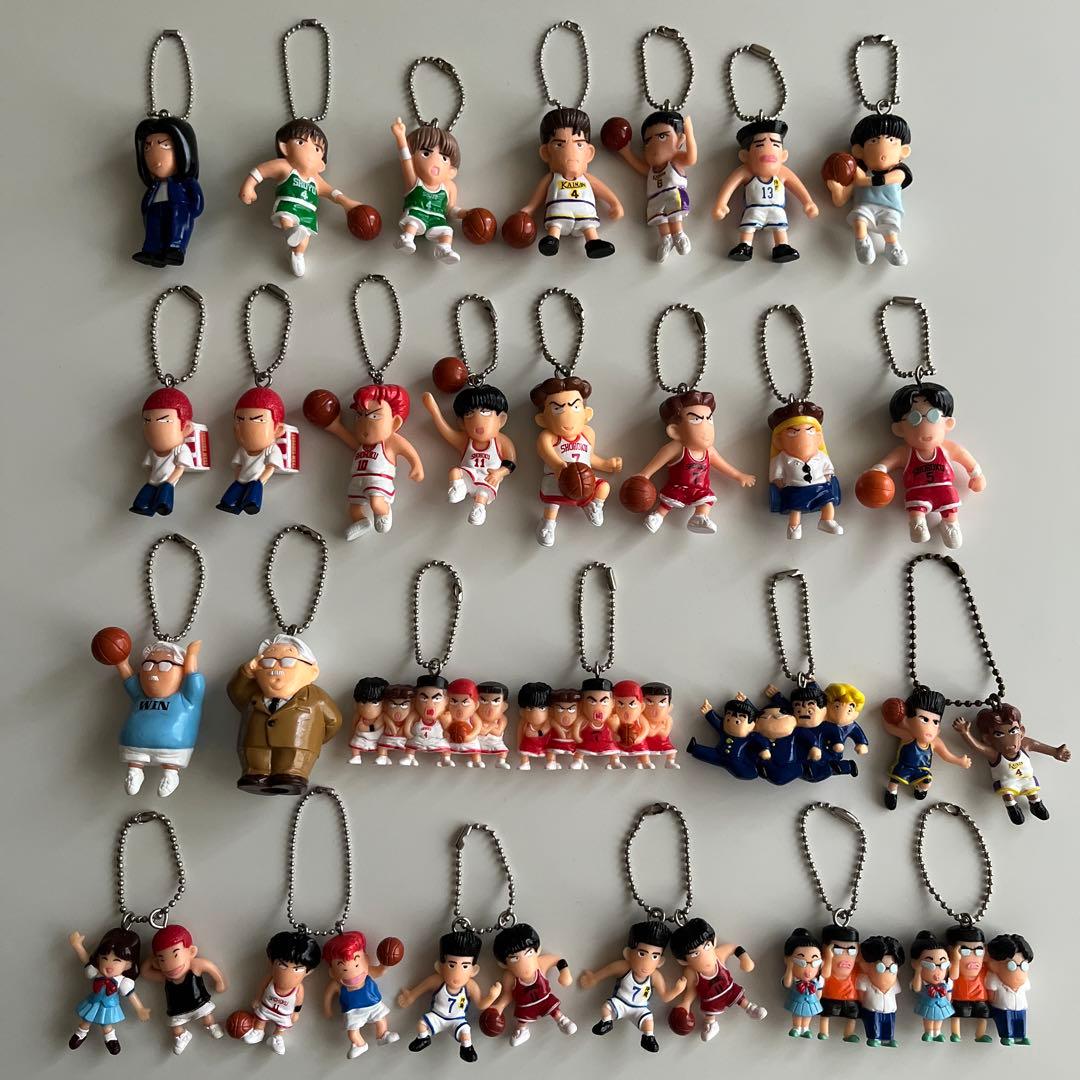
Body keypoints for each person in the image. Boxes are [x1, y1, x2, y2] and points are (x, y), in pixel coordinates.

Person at [862, 381, 985, 549]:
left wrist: (976, 474)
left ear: (948, 423)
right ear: (899, 429)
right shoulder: (904, 453)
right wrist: (878, 470)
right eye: (914, 418)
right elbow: (886, 464)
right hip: (918, 492)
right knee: (915, 507)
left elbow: (965, 457)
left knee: (950, 507)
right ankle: (917, 523)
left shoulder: (948, 449)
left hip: (944, 490)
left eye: (934, 416)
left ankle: (951, 525)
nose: (924, 426)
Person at [238, 119, 362, 276]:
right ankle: (290, 232)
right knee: (286, 218)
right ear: (284, 148)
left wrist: (347, 203)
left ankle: (297, 254)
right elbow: (261, 171)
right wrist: (248, 187)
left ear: (321, 165)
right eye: (301, 142)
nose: (310, 151)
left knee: (304, 240)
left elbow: (331, 193)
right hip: (288, 205)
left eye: (317, 149)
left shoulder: (316, 180)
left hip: (308, 214)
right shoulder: (284, 166)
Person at [628, 390, 755, 536]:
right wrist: (645, 474)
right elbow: (658, 461)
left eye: (709, 419)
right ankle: (658, 516)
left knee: (707, 501)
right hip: (677, 487)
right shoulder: (676, 448)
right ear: (675, 431)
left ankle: (699, 517)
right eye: (696, 420)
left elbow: (723, 465)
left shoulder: (709, 451)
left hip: (700, 489)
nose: (706, 428)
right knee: (668, 502)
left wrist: (739, 475)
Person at [228, 633, 342, 795]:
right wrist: (245, 672)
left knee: (290, 765)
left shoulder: (316, 698)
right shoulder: (253, 695)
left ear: (312, 671)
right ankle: (256, 774)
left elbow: (333, 722)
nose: (276, 667)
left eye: (288, 661)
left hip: (297, 748)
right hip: (254, 744)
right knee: (256, 762)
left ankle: (290, 775)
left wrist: (313, 738)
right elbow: (236, 692)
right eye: (268, 661)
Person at [313, 383, 424, 541]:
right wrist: (335, 427)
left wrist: (416, 466)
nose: (365, 424)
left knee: (376, 502)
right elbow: (347, 438)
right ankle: (361, 521)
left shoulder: (390, 441)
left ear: (394, 423)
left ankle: (384, 512)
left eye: (374, 416)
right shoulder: (361, 445)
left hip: (378, 479)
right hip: (357, 480)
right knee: (353, 508)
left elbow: (409, 451)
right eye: (359, 416)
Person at [518, 108, 623, 258]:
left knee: (589, 225)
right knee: (555, 224)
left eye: (579, 145)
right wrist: (530, 208)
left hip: (584, 212)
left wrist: (615, 204)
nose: (570, 154)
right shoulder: (552, 177)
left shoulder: (586, 178)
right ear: (546, 153)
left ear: (589, 153)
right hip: (559, 212)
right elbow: (538, 195)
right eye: (559, 145)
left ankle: (593, 242)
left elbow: (603, 191)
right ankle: (552, 239)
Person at [105, 638, 204, 797]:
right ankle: (134, 773)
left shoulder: (186, 698)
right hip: (134, 744)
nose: (153, 672)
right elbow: (129, 679)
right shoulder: (140, 696)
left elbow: (192, 677)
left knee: (171, 764)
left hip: (173, 747)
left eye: (165, 665)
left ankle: (171, 775)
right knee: (135, 761)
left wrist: (191, 656)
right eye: (148, 665)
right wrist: (121, 662)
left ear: (181, 672)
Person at [531, 376, 622, 548]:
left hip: (584, 481)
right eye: (557, 409)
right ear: (542, 419)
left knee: (603, 487)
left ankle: (594, 505)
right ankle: (548, 523)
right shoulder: (548, 436)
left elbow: (589, 457)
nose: (568, 415)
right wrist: (558, 466)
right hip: (557, 479)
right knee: (553, 502)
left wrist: (606, 465)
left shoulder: (588, 433)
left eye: (575, 406)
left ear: (587, 414)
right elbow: (544, 452)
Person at [713, 119, 818, 262]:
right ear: (745, 156)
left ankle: (782, 246)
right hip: (754, 209)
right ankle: (745, 246)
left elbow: (797, 186)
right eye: (759, 145)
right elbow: (730, 185)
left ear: (783, 155)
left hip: (776, 210)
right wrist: (721, 203)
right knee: (748, 227)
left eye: (775, 145)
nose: (769, 151)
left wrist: (808, 202)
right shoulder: (745, 171)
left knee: (780, 227)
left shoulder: (782, 172)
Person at [953, 701, 1070, 824]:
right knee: (1007, 793)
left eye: (1013, 732)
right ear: (987, 739)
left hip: (1026, 778)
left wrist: (1055, 752)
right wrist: (965, 733)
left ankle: (1036, 804)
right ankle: (1012, 807)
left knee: (1032, 791)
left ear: (1021, 731)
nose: (1010, 742)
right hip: (1007, 781)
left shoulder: (1024, 745)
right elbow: (977, 747)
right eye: (999, 734)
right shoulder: (994, 754)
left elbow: (1037, 745)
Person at [579, 920, 686, 1053]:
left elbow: (665, 996)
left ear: (660, 961)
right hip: (620, 1002)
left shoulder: (655, 976)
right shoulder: (624, 967)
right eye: (642, 954)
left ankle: (648, 1037)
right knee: (607, 1007)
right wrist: (594, 978)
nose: (646, 963)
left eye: (654, 956)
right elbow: (609, 970)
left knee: (648, 1019)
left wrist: (677, 989)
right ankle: (606, 1022)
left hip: (639, 1009)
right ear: (628, 954)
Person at [397, 929, 501, 1063]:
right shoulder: (437, 980)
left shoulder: (470, 986)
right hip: (437, 1016)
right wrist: (410, 996)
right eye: (452, 965)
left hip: (457, 1020)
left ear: (473, 970)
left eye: (465, 966)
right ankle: (423, 1038)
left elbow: (481, 1004)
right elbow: (422, 988)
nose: (457, 973)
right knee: (422, 1023)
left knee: (465, 1031)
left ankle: (467, 1048)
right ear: (440, 967)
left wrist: (492, 996)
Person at [608, 110, 697, 261]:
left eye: (662, 136)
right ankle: (666, 239)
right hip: (655, 198)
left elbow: (691, 158)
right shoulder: (651, 170)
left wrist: (689, 130)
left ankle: (678, 234)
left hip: (673, 193)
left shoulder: (675, 162)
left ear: (680, 140)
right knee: (659, 219)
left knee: (674, 215)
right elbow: (638, 166)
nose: (655, 144)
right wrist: (625, 152)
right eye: (648, 141)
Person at [825, 113, 912, 266]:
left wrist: (863, 180)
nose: (883, 149)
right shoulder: (858, 173)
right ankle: (862, 242)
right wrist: (836, 189)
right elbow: (840, 201)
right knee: (859, 220)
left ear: (903, 151)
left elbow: (881, 180)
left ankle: (892, 246)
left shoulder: (899, 173)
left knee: (889, 230)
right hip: (865, 206)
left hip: (889, 208)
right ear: (859, 151)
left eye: (891, 140)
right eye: (874, 141)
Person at [423, 385, 516, 526]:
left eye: (485, 412)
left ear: (501, 420)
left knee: (482, 494)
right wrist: (434, 411)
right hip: (468, 474)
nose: (478, 421)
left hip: (488, 478)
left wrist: (499, 473)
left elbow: (511, 463)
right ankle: (457, 488)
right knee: (454, 472)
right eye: (469, 414)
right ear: (462, 424)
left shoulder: (501, 441)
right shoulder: (465, 440)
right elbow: (446, 432)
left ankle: (479, 509)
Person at [669, 918, 766, 1043]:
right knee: (709, 1013)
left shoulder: (719, 954)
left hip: (729, 989)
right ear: (683, 961)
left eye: (707, 946)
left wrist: (745, 959)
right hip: (711, 1000)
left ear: (714, 942)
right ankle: (711, 1025)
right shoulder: (691, 972)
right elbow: (692, 990)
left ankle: (751, 1008)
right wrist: (686, 1003)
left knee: (740, 998)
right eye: (695, 954)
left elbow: (735, 948)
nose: (704, 956)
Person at [488, 923, 576, 1048]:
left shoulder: (541, 963)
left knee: (554, 1010)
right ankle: (522, 1031)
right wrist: (499, 1006)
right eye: (514, 958)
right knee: (522, 1018)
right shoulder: (509, 977)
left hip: (545, 999)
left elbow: (559, 960)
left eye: (529, 952)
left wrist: (565, 973)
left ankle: (562, 1020)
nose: (523, 963)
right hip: (525, 1006)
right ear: (504, 964)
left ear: (537, 951)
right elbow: (508, 994)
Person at [142, 925, 226, 1055]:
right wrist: (151, 959)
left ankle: (212, 1026)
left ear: (191, 952)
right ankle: (183, 1036)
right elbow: (145, 973)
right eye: (162, 959)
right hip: (177, 1010)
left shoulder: (195, 966)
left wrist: (220, 981)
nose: (170, 966)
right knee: (176, 1028)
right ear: (157, 963)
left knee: (207, 1017)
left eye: (175, 954)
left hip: (199, 1003)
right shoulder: (165, 976)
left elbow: (210, 967)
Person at [882, 688, 971, 809]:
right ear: (907, 722)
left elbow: (946, 755)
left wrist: (960, 761)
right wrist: (887, 714)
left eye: (935, 722)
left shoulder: (935, 742)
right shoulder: (908, 736)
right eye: (924, 719)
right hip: (904, 766)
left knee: (927, 781)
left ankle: (920, 789)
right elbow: (890, 729)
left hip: (921, 771)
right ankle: (891, 792)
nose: (930, 727)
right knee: (895, 780)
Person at [133, 115, 203, 267]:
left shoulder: (185, 183)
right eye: (147, 148)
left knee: (176, 228)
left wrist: (191, 209)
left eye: (165, 145)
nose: (154, 158)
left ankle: (175, 249)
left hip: (178, 208)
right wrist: (146, 209)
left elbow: (197, 200)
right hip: (155, 208)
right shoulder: (155, 185)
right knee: (153, 229)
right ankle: (151, 251)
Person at [67, 928, 151, 1054]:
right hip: (93, 1002)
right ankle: (80, 1034)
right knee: (87, 1019)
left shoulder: (123, 982)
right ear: (98, 958)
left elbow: (131, 995)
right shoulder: (96, 972)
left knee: (106, 1023)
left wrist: (140, 1009)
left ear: (128, 965)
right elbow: (86, 960)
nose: (109, 965)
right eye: (105, 958)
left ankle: (110, 1038)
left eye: (116, 961)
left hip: (109, 1005)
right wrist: (77, 946)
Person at [767, 400, 842, 540]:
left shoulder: (821, 456)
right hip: (795, 489)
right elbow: (776, 476)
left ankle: (827, 520)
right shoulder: (781, 458)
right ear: (779, 441)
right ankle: (794, 527)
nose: (804, 438)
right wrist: (782, 486)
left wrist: (827, 480)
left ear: (819, 437)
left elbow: (828, 470)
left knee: (828, 502)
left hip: (820, 487)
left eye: (810, 431)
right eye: (793, 432)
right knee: (795, 508)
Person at [391, 120, 463, 265]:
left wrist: (464, 213)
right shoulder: (414, 181)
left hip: (437, 219)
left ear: (451, 171)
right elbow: (405, 160)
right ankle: (407, 239)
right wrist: (400, 137)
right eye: (426, 153)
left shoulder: (448, 188)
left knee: (447, 231)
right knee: (413, 222)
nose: (435, 162)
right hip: (417, 214)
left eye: (444, 158)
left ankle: (444, 248)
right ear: (413, 158)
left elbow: (450, 209)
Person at [321, 931, 399, 1059]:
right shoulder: (336, 984)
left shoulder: (369, 972)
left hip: (373, 1005)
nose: (352, 972)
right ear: (332, 972)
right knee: (352, 1032)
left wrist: (386, 963)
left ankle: (382, 1035)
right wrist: (327, 1009)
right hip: (353, 1011)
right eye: (344, 969)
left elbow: (380, 971)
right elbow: (327, 996)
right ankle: (359, 1044)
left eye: (357, 964)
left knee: (381, 1020)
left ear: (366, 960)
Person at [242, 931, 321, 1055]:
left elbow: (299, 1002)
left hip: (284, 1013)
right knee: (261, 1018)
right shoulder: (270, 979)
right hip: (266, 1006)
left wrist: (296, 1012)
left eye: (297, 969)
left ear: (308, 972)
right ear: (271, 962)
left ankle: (277, 1037)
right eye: (282, 965)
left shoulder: (298, 989)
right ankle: (258, 1031)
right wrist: (257, 998)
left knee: (281, 1026)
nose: (288, 972)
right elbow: (262, 988)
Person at [217, 387, 288, 515]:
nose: (246, 428)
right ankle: (229, 504)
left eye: (259, 420)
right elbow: (238, 466)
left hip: (256, 480)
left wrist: (260, 480)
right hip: (242, 479)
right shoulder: (241, 450)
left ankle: (251, 504)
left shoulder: (271, 449)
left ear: (278, 430)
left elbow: (270, 467)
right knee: (231, 495)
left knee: (253, 494)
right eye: (239, 420)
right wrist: (238, 478)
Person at [130, 387, 198, 516]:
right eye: (147, 421)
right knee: (141, 501)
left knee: (163, 500)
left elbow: (180, 469)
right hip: (152, 481)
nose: (153, 429)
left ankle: (162, 506)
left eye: (164, 421)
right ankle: (144, 507)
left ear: (186, 428)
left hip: (167, 482)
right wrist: (151, 479)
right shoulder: (151, 452)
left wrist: (169, 482)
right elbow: (149, 468)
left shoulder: (181, 449)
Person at [688, 695, 762, 779]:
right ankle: (694, 748)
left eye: (738, 722)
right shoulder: (724, 731)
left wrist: (763, 750)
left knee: (743, 771)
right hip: (719, 754)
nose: (731, 723)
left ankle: (694, 749)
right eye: (728, 720)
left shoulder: (749, 738)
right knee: (707, 754)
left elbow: (760, 742)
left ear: (751, 726)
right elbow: (716, 722)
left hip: (735, 761)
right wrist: (709, 712)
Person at [945, 924, 991, 1043]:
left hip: (980, 997)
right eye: (965, 951)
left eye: (978, 950)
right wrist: (955, 959)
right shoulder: (953, 967)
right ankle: (955, 1033)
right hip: (959, 996)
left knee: (983, 1014)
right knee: (956, 1013)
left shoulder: (985, 968)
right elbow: (953, 976)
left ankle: (980, 1034)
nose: (973, 956)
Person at [985, 933, 1034, 1045]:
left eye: (1023, 965)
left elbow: (1027, 987)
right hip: (1002, 1007)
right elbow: (990, 992)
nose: (1019, 970)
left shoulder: (1025, 982)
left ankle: (1021, 1036)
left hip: (1021, 1006)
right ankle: (1007, 1036)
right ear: (994, 965)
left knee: (1021, 1020)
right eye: (1012, 965)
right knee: (1005, 1022)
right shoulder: (994, 979)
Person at [854, 935, 904, 1047]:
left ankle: (888, 1038)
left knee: (889, 1025)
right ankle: (874, 1038)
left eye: (893, 968)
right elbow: (860, 995)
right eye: (881, 968)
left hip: (890, 1010)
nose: (887, 972)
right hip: (872, 1010)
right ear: (866, 966)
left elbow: (896, 992)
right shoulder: (864, 980)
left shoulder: (895, 983)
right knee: (873, 1025)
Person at [818, 923, 861, 1041]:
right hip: (829, 995)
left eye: (851, 951)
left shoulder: (857, 967)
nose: (845, 957)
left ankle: (849, 1033)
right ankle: (823, 1031)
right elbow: (825, 974)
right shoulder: (825, 964)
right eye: (838, 950)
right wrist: (828, 957)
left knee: (853, 1016)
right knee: (825, 1013)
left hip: (851, 997)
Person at [910, 931, 954, 1042]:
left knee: (940, 1017)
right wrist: (918, 971)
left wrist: (949, 998)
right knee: (928, 1017)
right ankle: (928, 1032)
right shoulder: (923, 983)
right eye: (930, 965)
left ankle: (937, 1032)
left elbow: (949, 990)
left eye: (943, 965)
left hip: (942, 1003)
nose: (937, 971)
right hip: (928, 1003)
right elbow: (916, 988)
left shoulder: (946, 982)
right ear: (915, 963)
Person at [571, 677, 622, 770]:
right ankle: (578, 760)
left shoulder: (612, 719)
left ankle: (615, 761)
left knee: (613, 750)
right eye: (592, 702)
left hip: (607, 743)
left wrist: (616, 729)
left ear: (612, 703)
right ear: (582, 704)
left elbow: (617, 733)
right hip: (587, 742)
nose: (598, 707)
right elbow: (576, 728)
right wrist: (576, 737)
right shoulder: (582, 719)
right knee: (580, 750)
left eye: (604, 702)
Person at [781, 928, 824, 1038]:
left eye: (814, 962)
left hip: (812, 1000)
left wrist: (817, 998)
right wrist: (789, 967)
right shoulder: (794, 979)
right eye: (801, 962)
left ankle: (805, 1028)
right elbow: (787, 984)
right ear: (788, 959)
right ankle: (796, 1027)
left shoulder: (818, 980)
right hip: (797, 999)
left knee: (808, 1013)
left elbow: (819, 991)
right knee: (797, 1013)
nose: (808, 968)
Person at [403, 675, 453, 767]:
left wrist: (447, 730)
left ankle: (446, 758)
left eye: (437, 699)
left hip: (437, 740)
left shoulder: (443, 716)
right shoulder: (415, 714)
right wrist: (408, 734)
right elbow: (407, 726)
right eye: (424, 698)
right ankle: (409, 757)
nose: (430, 704)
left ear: (446, 701)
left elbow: (447, 731)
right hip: (418, 739)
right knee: (411, 744)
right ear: (415, 700)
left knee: (445, 745)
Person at [822, 683, 868, 776]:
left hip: (836, 753)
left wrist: (861, 744)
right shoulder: (822, 722)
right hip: (821, 750)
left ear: (856, 713)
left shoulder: (851, 726)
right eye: (837, 706)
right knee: (825, 768)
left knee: (828, 768)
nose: (842, 714)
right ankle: (848, 766)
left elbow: (859, 736)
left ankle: (847, 766)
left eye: (849, 710)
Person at [347, 676, 388, 765]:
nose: (367, 709)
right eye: (363, 702)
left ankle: (382, 756)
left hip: (376, 736)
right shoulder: (358, 715)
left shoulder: (382, 716)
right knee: (355, 743)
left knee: (382, 745)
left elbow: (377, 726)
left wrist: (366, 728)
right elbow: (353, 725)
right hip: (361, 736)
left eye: (375, 703)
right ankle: (356, 756)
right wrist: (352, 735)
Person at [446, 678, 484, 766]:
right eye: (454, 702)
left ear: (476, 705)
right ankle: (446, 759)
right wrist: (447, 733)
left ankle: (476, 760)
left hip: (469, 740)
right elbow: (445, 726)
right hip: (452, 740)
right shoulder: (448, 716)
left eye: (465, 702)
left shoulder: (473, 716)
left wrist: (471, 736)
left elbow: (478, 726)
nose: (459, 707)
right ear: (447, 704)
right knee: (445, 747)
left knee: (475, 749)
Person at [613, 680, 651, 769]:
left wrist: (640, 738)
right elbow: (611, 730)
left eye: (632, 704)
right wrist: (615, 736)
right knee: (613, 748)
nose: (626, 710)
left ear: (641, 707)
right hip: (620, 741)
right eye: (621, 704)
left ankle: (645, 761)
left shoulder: (639, 718)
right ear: (613, 706)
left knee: (643, 749)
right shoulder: (615, 718)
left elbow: (646, 728)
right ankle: (614, 761)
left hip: (636, 740)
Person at [516, 682, 552, 771]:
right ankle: (525, 762)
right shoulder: (524, 721)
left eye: (542, 708)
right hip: (528, 743)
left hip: (544, 741)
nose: (535, 713)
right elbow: (519, 733)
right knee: (524, 750)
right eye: (530, 708)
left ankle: (551, 761)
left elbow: (546, 729)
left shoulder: (548, 721)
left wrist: (537, 733)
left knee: (550, 750)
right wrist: (519, 744)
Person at [642, 681, 679, 768]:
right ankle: (645, 762)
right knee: (643, 752)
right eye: (650, 702)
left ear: (669, 707)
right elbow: (650, 733)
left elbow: (665, 734)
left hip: (663, 742)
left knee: (672, 751)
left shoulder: (668, 719)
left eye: (662, 703)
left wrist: (656, 729)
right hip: (646, 742)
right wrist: (659, 727)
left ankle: (670, 762)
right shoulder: (643, 719)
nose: (656, 708)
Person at [376, 684, 415, 765]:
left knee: (411, 746)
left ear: (411, 706)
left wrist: (406, 731)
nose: (398, 710)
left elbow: (407, 729)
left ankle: (409, 757)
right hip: (388, 738)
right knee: (382, 746)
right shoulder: (385, 716)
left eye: (404, 705)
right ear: (386, 706)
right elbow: (377, 726)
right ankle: (383, 756)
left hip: (403, 739)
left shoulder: (409, 718)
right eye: (393, 705)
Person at [476, 681, 512, 769]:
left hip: (496, 741)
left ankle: (501, 762)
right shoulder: (476, 717)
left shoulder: (502, 718)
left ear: (504, 706)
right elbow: (481, 732)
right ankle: (476, 761)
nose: (490, 706)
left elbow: (498, 732)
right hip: (480, 740)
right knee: (475, 749)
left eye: (496, 701)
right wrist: (491, 726)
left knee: (503, 751)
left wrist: (486, 728)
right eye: (484, 700)